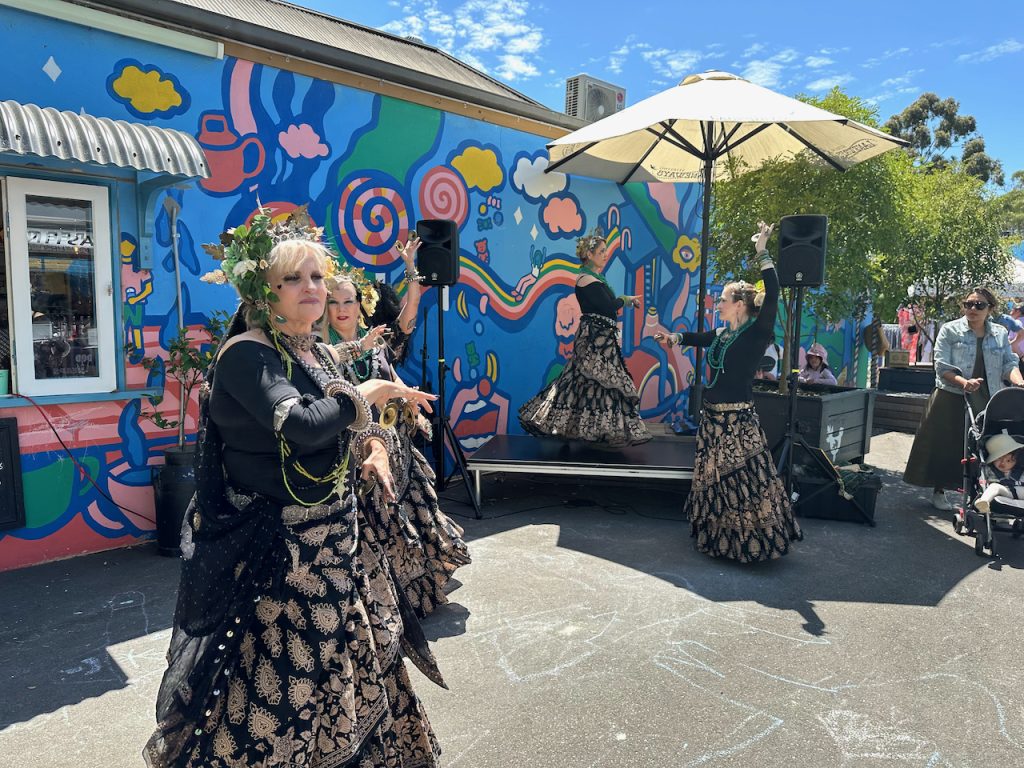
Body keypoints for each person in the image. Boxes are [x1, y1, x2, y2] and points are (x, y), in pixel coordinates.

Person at [145, 208, 444, 768]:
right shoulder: (246, 355)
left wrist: (374, 446)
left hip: (338, 546)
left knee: (351, 666)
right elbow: (305, 423)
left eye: (316, 276)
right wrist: (372, 392)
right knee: (286, 684)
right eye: (293, 279)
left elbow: (343, 424)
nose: (314, 288)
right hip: (283, 557)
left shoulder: (311, 350)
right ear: (264, 290)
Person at [323, 266, 471, 618]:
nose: (342, 308)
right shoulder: (323, 353)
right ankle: (384, 598)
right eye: (333, 302)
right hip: (359, 451)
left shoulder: (375, 341)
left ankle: (411, 592)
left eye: (348, 300)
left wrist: (410, 403)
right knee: (379, 523)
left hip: (396, 442)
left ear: (361, 304)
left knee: (407, 517)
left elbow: (390, 375)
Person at [656, 221, 802, 563]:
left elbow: (774, 292)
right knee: (717, 482)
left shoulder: (756, 332)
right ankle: (719, 537)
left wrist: (762, 251)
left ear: (739, 304)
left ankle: (750, 542)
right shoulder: (723, 333)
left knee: (746, 482)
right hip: (713, 420)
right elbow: (699, 338)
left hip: (738, 420)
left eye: (722, 300)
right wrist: (673, 338)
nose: (716, 303)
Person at [518, 226, 651, 447]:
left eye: (606, 251)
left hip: (603, 340)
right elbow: (608, 307)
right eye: (601, 251)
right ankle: (562, 424)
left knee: (595, 385)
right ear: (589, 255)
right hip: (593, 341)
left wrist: (623, 301)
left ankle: (598, 431)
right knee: (580, 383)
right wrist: (625, 300)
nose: (605, 255)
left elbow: (607, 307)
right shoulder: (585, 279)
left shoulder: (595, 278)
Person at [904, 287, 1024, 511]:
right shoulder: (950, 330)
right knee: (946, 444)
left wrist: (1019, 382)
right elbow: (941, 366)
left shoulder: (999, 333)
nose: (973, 309)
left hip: (987, 396)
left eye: (979, 305)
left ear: (990, 309)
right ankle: (939, 490)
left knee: (984, 445)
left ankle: (985, 493)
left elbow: (1009, 364)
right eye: (969, 304)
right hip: (951, 395)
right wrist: (963, 382)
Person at [976, 434, 1024, 513]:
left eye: (1008, 461)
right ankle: (983, 502)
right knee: (994, 487)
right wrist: (983, 484)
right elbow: (982, 482)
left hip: (1020, 491)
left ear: (1015, 460)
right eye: (999, 459)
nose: (1003, 463)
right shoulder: (989, 470)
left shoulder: (1020, 470)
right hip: (1004, 491)